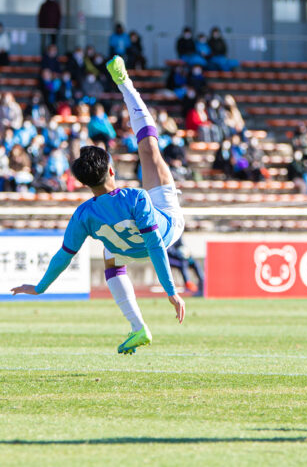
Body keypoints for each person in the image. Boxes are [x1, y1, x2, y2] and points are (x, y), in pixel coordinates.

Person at [11, 55, 186, 355]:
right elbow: (157, 245)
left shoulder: (83, 216)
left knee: (110, 256)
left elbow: (64, 257)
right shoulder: (137, 197)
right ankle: (125, 83)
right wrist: (171, 291)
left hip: (126, 247)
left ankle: (137, 326)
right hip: (168, 227)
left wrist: (40, 287)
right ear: (112, 171)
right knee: (150, 150)